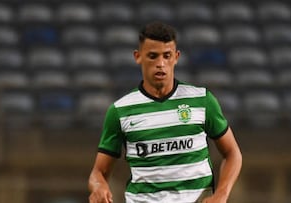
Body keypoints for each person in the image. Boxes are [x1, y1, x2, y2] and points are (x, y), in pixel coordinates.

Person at [88, 21, 242, 203]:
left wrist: (222, 194)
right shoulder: (120, 111)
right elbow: (98, 172)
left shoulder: (202, 100)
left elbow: (233, 153)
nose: (161, 64)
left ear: (176, 57)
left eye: (166, 56)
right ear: (138, 57)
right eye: (153, 56)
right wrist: (99, 186)